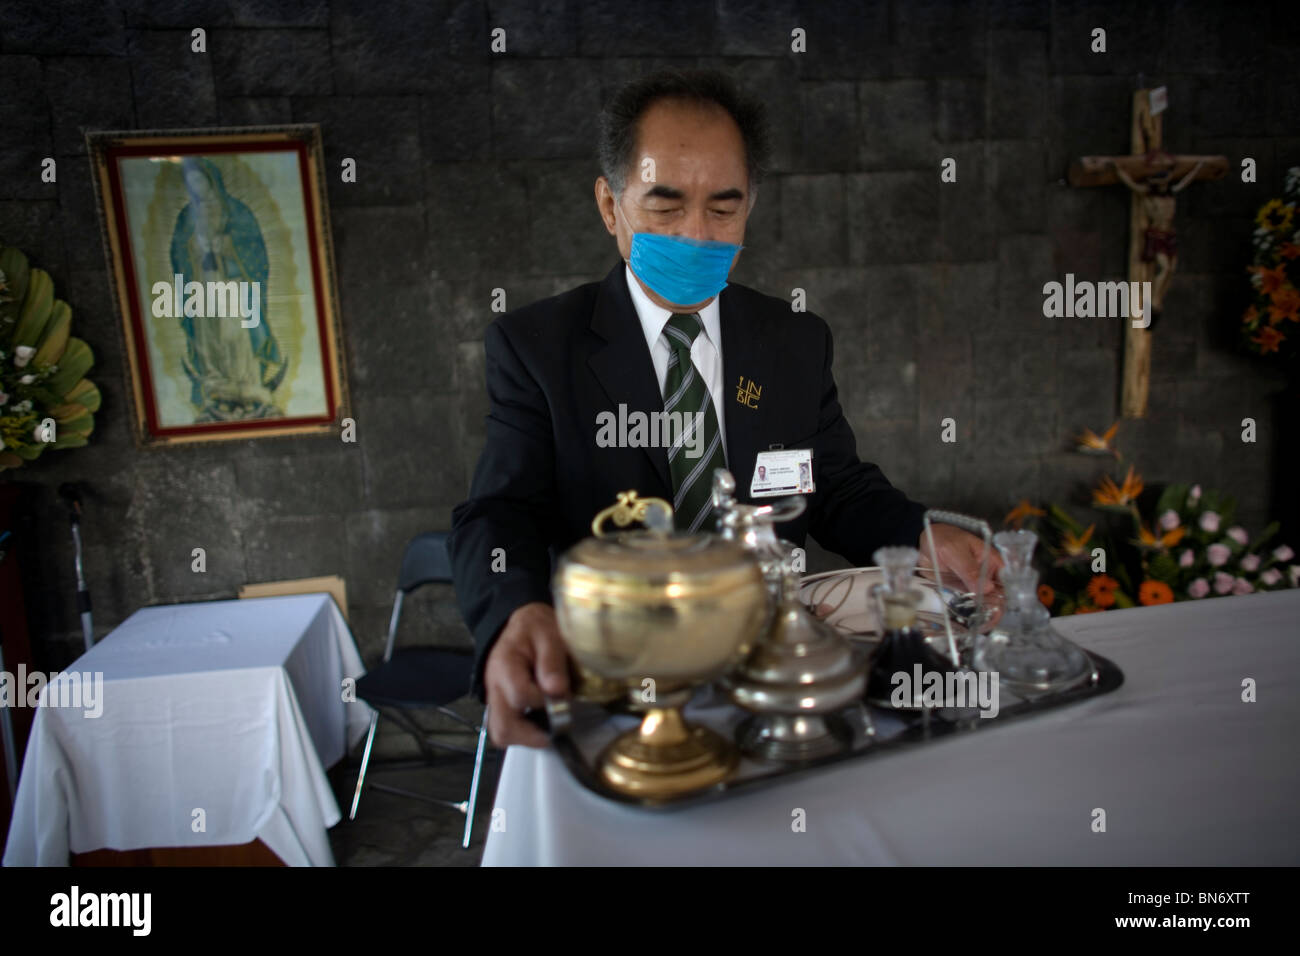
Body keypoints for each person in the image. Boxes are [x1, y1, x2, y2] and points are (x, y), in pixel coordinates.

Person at [449, 70, 997, 748]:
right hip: (619, 684)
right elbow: (500, 511)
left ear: (749, 209)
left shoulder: (793, 340)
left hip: (778, 676)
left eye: (723, 209)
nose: (696, 236)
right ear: (610, 206)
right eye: (665, 206)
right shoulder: (538, 347)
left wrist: (921, 534)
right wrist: (516, 611)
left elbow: (834, 486)